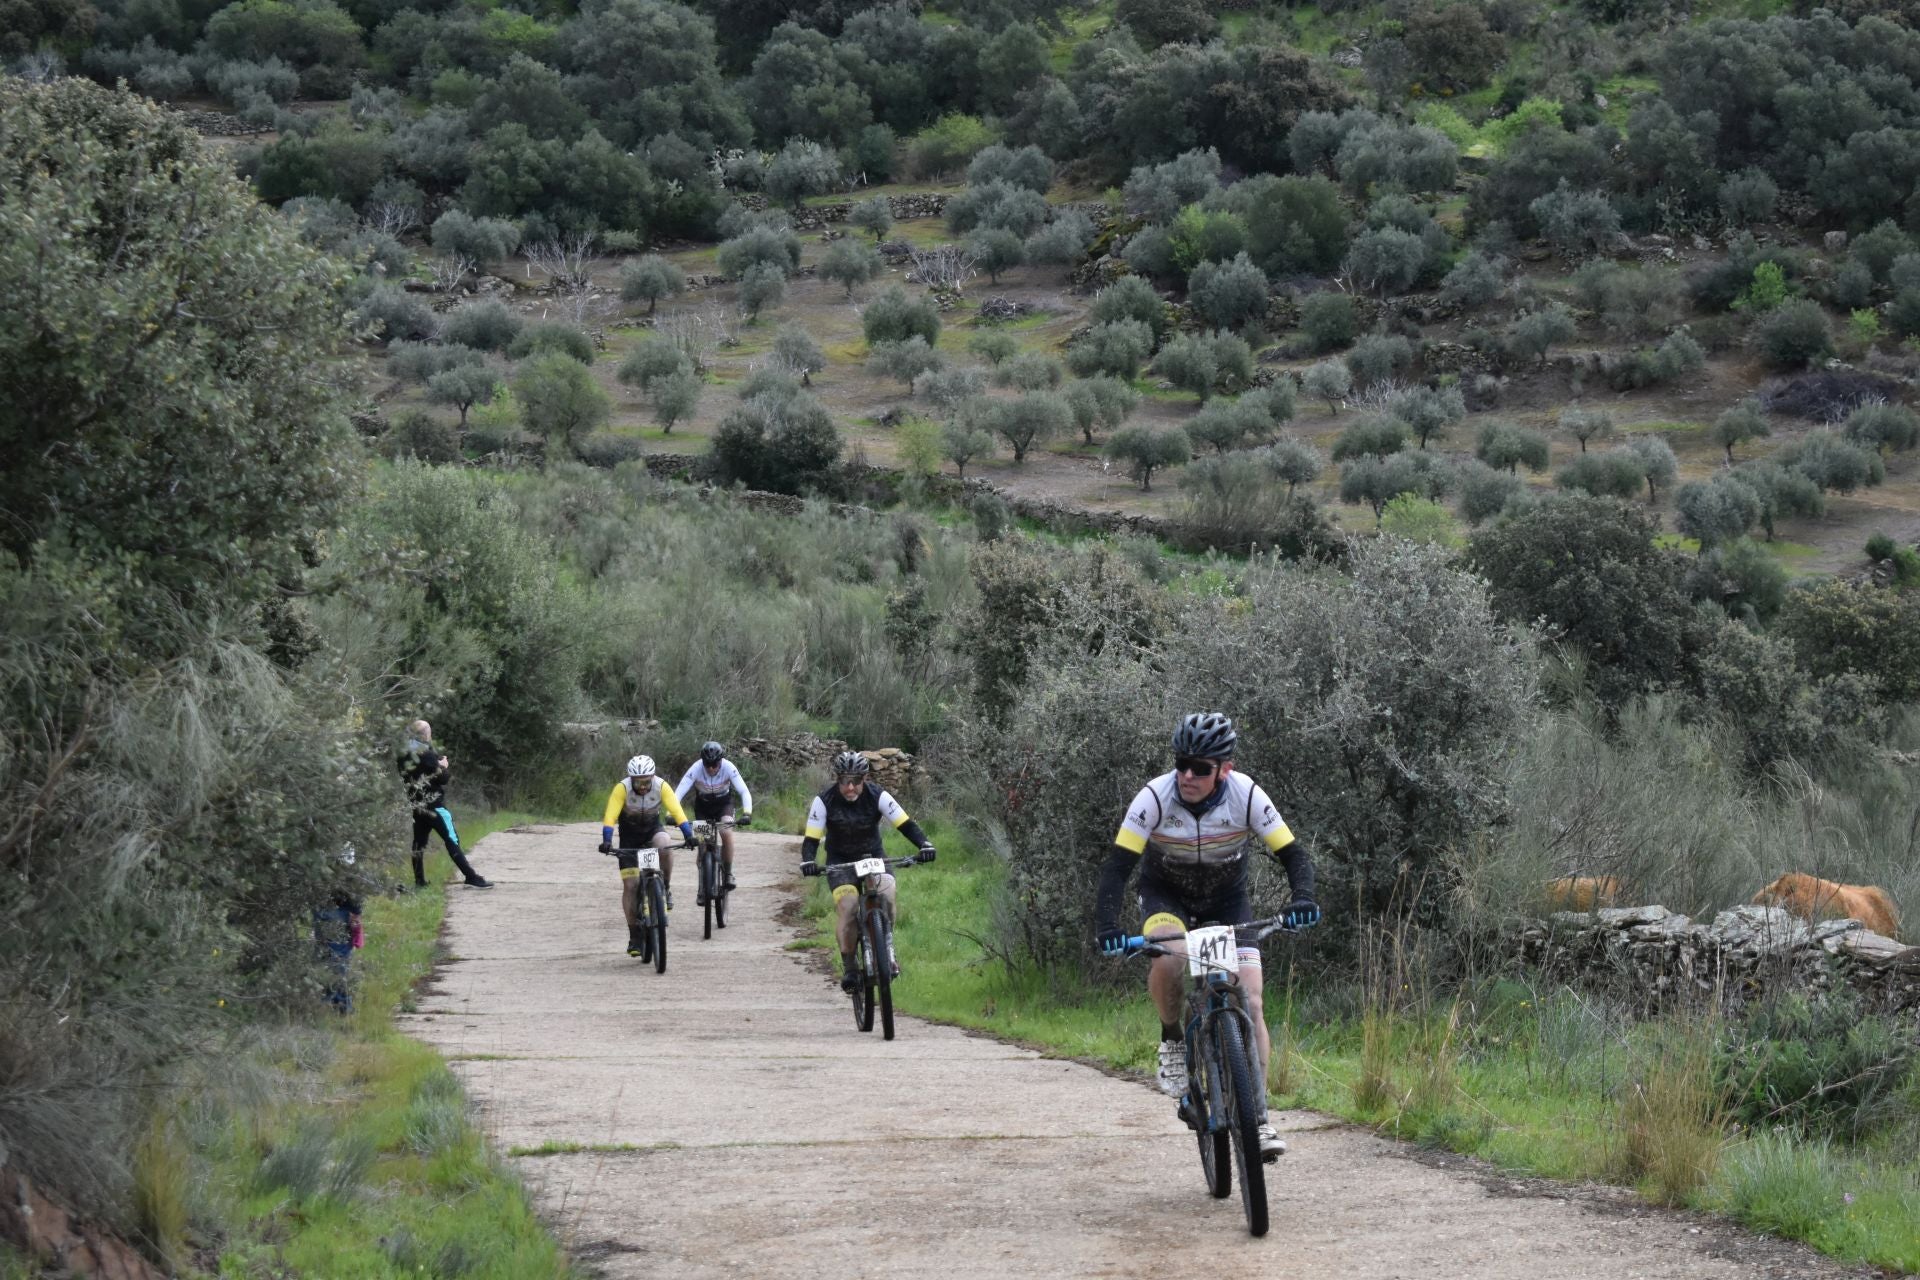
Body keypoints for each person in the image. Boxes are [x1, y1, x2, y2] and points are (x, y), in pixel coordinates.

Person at [1092, 712, 1320, 1162]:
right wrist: (1107, 928)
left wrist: (1303, 899)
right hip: (1166, 898)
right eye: (1181, 764)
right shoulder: (1154, 798)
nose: (1187, 775)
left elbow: (1294, 855)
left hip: (1226, 902)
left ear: (1225, 769)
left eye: (1200, 767)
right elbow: (1117, 868)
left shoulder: (1247, 794)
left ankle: (1258, 1117)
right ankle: (1173, 1037)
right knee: (1171, 956)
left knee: (1251, 1000)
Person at [798, 751, 936, 993]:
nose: (850, 787)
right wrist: (808, 860)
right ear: (837, 779)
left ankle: (888, 950)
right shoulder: (824, 800)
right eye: (844, 781)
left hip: (873, 854)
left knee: (887, 891)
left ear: (865, 779)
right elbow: (811, 838)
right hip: (840, 861)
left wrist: (924, 844)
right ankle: (850, 968)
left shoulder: (878, 795)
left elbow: (905, 824)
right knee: (848, 907)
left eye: (856, 781)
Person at [599, 754, 694, 957]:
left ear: (652, 777)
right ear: (631, 779)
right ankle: (634, 935)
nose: (642, 786)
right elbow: (610, 816)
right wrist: (607, 840)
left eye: (646, 781)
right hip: (629, 840)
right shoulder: (622, 789)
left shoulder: (661, 786)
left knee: (665, 844)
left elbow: (677, 811)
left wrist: (689, 835)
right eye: (638, 782)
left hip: (652, 832)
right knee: (631, 886)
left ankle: (665, 889)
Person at [398, 720, 492, 889]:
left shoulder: (403, 753)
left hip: (416, 805)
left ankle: (419, 881)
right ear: (426, 734)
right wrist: (443, 765)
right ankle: (471, 877)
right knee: (451, 839)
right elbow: (443, 778)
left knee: (418, 843)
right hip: (435, 805)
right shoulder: (426, 754)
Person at [673, 741, 753, 901]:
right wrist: (671, 813)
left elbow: (744, 791)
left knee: (726, 833)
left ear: (720, 761)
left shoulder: (729, 767)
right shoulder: (696, 768)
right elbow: (679, 792)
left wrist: (747, 813)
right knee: (703, 845)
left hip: (724, 805)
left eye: (714, 765)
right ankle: (703, 886)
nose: (711, 768)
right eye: (707, 765)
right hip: (703, 808)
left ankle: (728, 874)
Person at [313, 843, 365, 1013]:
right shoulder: (349, 874)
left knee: (323, 955)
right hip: (341, 915)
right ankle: (341, 1005)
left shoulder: (320, 864)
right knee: (340, 960)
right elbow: (355, 898)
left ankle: (325, 1000)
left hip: (321, 912)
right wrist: (356, 917)